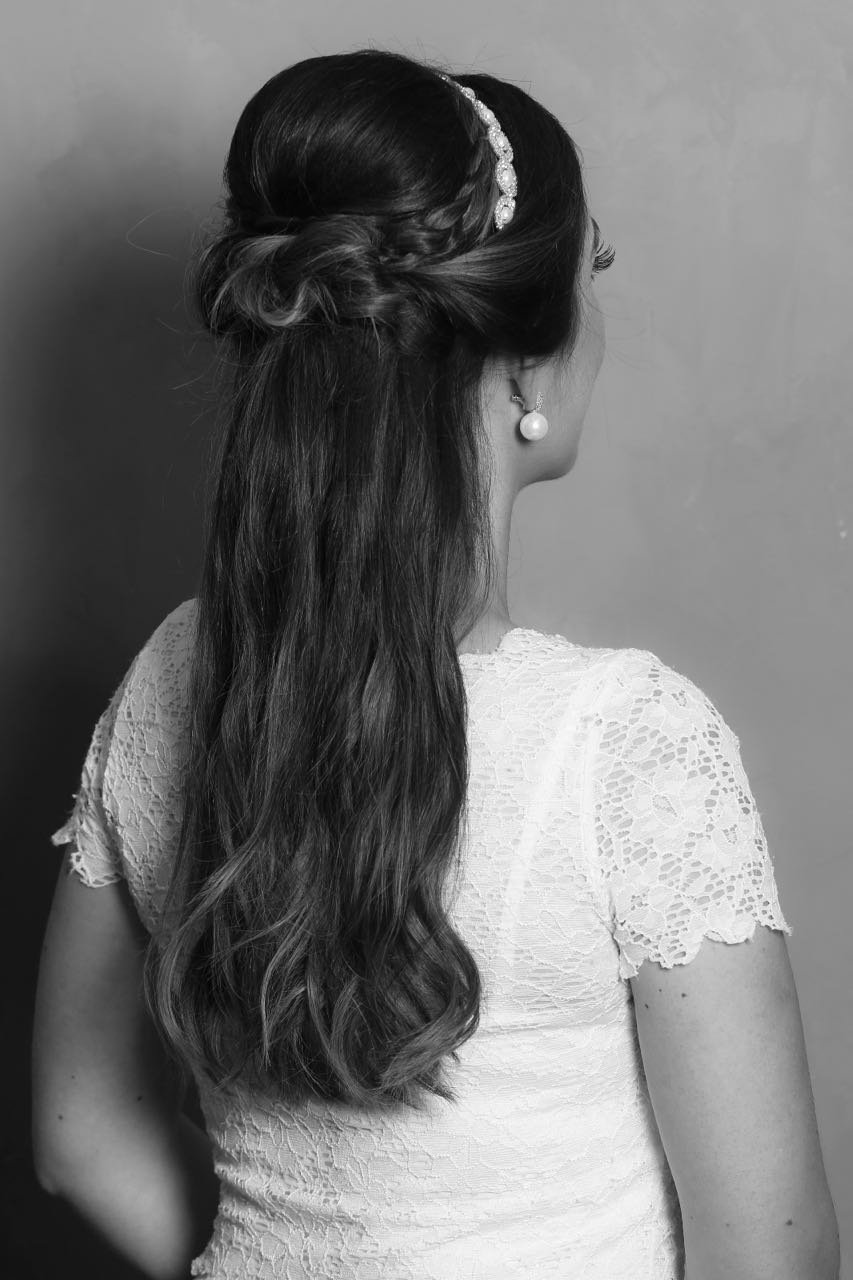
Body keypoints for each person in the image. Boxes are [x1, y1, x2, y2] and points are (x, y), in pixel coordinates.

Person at [31, 47, 840, 1280]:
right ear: (522, 364)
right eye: (592, 272)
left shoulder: (175, 677)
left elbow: (79, 1130)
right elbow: (771, 1259)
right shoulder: (629, 748)